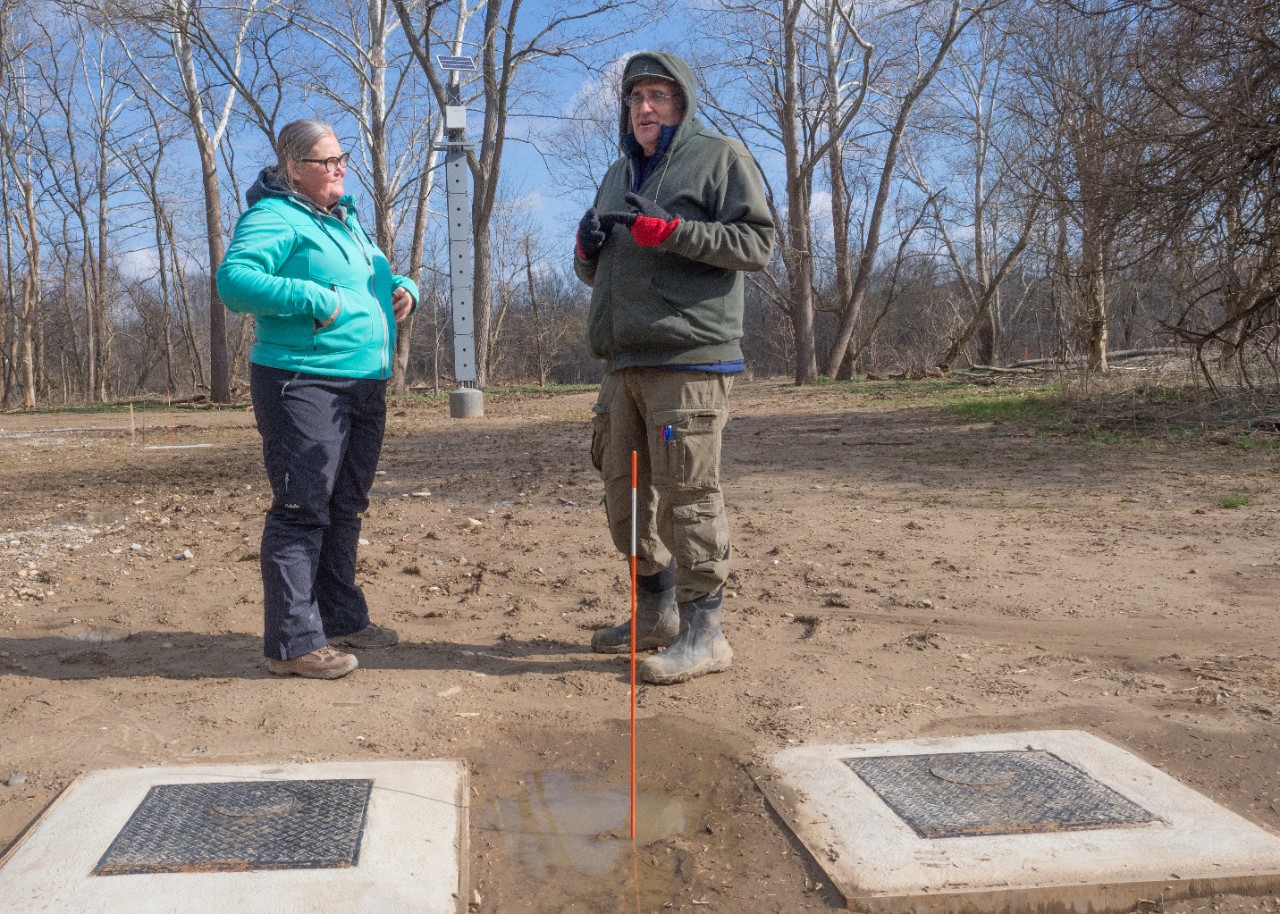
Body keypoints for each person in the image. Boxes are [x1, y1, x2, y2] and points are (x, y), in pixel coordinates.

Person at [574, 52, 775, 684]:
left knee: (687, 497)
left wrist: (679, 232)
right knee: (623, 496)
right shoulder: (616, 172)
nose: (645, 107)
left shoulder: (719, 158)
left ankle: (705, 632)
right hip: (623, 361)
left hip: (688, 362)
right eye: (636, 98)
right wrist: (586, 252)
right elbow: (598, 272)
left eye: (658, 96)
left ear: (681, 104)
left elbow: (758, 245)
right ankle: (655, 612)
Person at [217, 119, 418, 680]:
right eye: (326, 161)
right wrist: (312, 298)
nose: (339, 169)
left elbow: (362, 281)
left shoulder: (345, 221)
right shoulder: (273, 216)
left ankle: (340, 617)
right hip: (301, 380)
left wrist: (404, 289)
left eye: (341, 158)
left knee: (346, 504)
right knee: (302, 507)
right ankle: (293, 642)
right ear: (293, 169)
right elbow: (234, 281)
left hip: (362, 382)